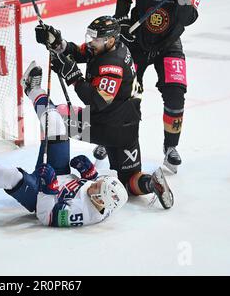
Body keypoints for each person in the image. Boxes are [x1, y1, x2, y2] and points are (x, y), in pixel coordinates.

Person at [0, 62, 173, 227]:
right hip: (61, 173)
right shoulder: (105, 191)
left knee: (12, 177)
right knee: (57, 123)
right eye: (99, 184)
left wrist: (48, 189)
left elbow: (45, 216)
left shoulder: (85, 214)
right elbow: (96, 180)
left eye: (97, 188)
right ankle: (31, 89)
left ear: (100, 201)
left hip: (41, 195)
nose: (96, 185)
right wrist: (89, 173)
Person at [34, 16, 174, 209]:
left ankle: (55, 177)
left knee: (54, 120)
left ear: (109, 40)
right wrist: (57, 42)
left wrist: (73, 76)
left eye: (95, 39)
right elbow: (77, 52)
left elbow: (97, 101)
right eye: (90, 37)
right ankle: (151, 183)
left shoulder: (112, 65)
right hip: (128, 127)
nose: (91, 42)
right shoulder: (110, 46)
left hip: (105, 126)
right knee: (129, 180)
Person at [112, 0, 204, 173]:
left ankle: (171, 146)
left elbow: (187, 19)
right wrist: (122, 22)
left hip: (169, 44)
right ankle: (108, 138)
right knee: (123, 92)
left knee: (176, 93)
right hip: (137, 42)